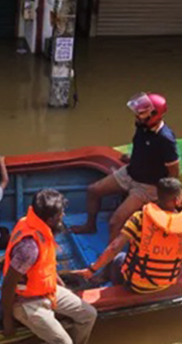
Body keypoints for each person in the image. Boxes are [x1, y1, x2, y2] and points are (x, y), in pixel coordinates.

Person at [1, 189, 97, 344]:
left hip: (47, 290)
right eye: (61, 214)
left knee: (89, 314)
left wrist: (63, 288)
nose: (64, 216)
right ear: (50, 219)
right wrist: (7, 318)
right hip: (27, 301)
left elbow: (47, 266)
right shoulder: (29, 249)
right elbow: (8, 284)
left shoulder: (37, 225)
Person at [71, 92, 179, 241]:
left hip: (147, 186)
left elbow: (173, 170)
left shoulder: (165, 139)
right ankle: (90, 225)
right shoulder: (142, 126)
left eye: (141, 114)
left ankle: (112, 260)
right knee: (93, 190)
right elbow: (142, 147)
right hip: (129, 173)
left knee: (116, 222)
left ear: (155, 115)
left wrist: (164, 195)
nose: (136, 116)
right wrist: (132, 158)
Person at [77, 177, 182, 293]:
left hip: (136, 285)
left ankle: (113, 285)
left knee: (119, 257)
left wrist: (92, 270)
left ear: (157, 195)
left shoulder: (139, 218)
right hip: (166, 284)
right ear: (177, 200)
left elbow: (114, 247)